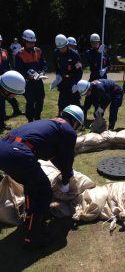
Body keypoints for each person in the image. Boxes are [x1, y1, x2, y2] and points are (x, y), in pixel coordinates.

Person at [0, 104, 84, 249]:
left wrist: (65, 173)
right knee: (43, 192)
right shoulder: (68, 130)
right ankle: (32, 239)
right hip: (18, 153)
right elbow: (66, 158)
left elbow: (54, 156)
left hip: (4, 147)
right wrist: (66, 180)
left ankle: (30, 219)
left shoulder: (51, 124)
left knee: (32, 186)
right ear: (75, 122)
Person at [15, 29, 48, 122]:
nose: (32, 44)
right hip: (28, 83)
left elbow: (44, 64)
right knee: (30, 101)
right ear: (24, 41)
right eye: (30, 42)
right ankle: (30, 119)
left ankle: (37, 117)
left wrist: (42, 72)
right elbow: (18, 70)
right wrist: (27, 76)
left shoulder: (39, 51)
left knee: (40, 99)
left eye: (33, 42)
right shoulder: (19, 54)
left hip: (38, 81)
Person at [51, 34, 83, 113]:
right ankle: (62, 119)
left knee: (75, 104)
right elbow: (57, 68)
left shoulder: (74, 55)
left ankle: (78, 121)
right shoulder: (56, 53)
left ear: (67, 45)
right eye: (60, 48)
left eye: (63, 47)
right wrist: (58, 77)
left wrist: (76, 83)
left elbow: (79, 71)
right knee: (62, 104)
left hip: (73, 81)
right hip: (63, 82)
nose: (61, 50)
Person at [0, 34, 22, 117]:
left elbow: (8, 63)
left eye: (0, 41)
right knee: (1, 100)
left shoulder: (4, 51)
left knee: (11, 95)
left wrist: (10, 71)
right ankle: (2, 119)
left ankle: (17, 110)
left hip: (6, 77)